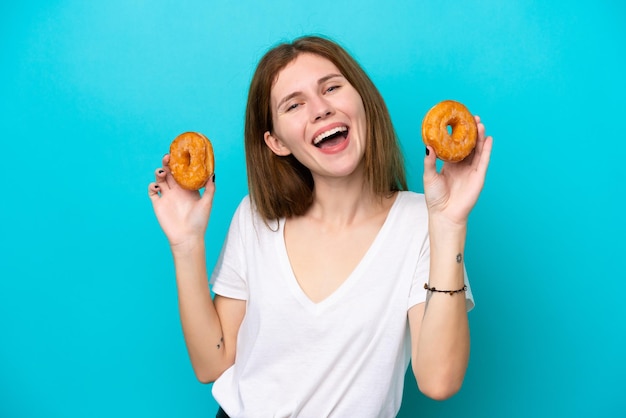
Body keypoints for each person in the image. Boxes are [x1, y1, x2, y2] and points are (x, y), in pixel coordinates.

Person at [148, 35, 493, 418]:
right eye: (294, 105)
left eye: (331, 87)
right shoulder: (256, 217)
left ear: (361, 100)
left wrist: (448, 224)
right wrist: (186, 244)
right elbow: (212, 364)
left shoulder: (420, 222)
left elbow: (439, 380)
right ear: (276, 141)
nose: (320, 109)